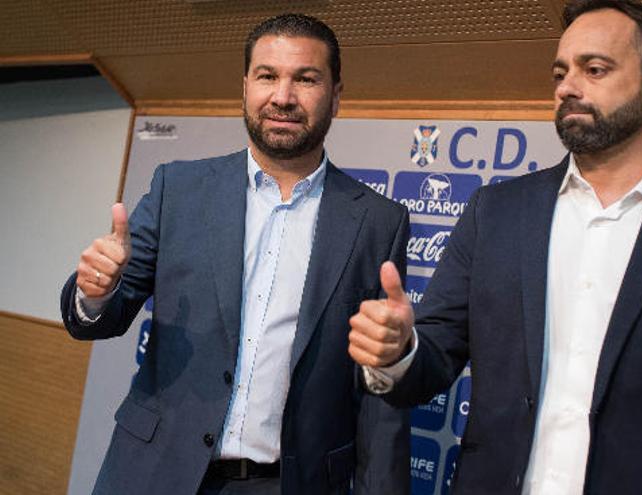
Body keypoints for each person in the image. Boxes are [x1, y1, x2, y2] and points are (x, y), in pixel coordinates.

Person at [348, 1, 642, 493]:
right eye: (560, 72)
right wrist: (398, 351)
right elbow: (434, 357)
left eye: (595, 69)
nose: (567, 87)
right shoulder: (496, 212)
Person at [60, 13, 410, 495]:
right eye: (267, 76)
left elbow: (378, 384)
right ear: (245, 86)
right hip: (152, 471)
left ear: (335, 94)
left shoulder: (378, 222)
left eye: (306, 79)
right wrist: (94, 293)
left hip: (286, 483)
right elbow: (100, 318)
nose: (283, 97)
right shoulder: (176, 189)